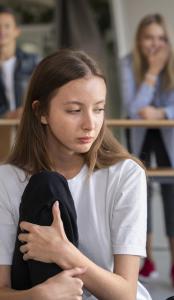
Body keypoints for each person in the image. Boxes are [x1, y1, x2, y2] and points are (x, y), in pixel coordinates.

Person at [0, 49, 151, 300]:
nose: (90, 124)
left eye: (99, 109)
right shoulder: (6, 179)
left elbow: (126, 293)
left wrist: (63, 252)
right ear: (41, 112)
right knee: (46, 185)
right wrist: (37, 296)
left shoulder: (126, 175)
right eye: (74, 110)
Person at [120, 13, 174, 284]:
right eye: (149, 38)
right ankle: (145, 260)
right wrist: (152, 72)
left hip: (169, 137)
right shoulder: (128, 64)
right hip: (139, 137)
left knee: (171, 195)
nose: (155, 44)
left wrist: (161, 112)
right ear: (139, 40)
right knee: (139, 194)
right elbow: (132, 109)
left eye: (161, 38)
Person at [0, 5, 40, 118]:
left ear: (16, 31)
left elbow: (46, 93)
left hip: (29, 124)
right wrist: (6, 115)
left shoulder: (33, 62)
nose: (1, 30)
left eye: (7, 26)